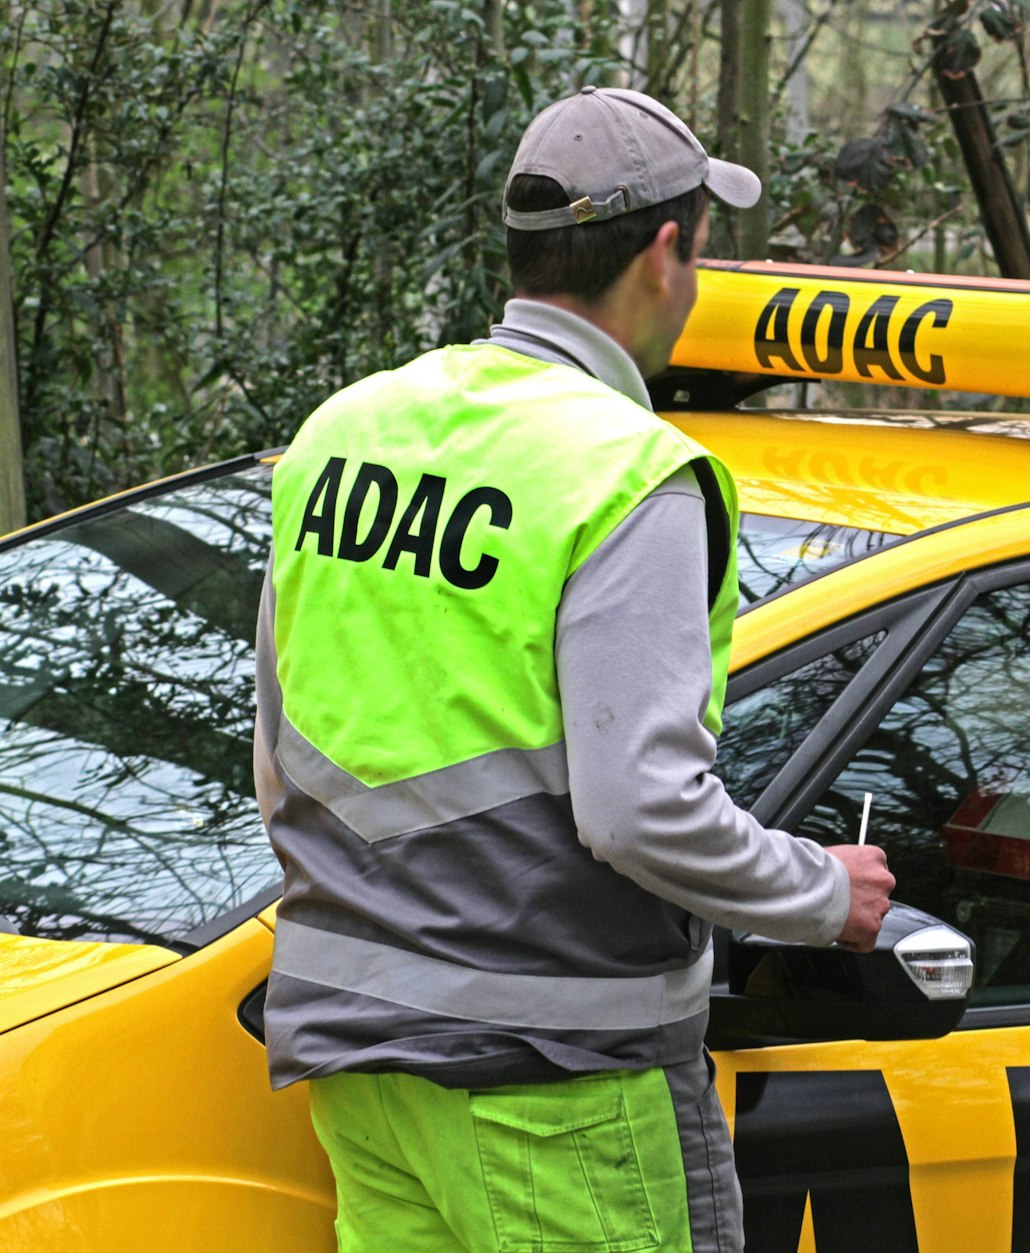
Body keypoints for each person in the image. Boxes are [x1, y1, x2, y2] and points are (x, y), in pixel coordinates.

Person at [253, 86, 894, 1252]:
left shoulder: (346, 428)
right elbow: (640, 808)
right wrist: (817, 891)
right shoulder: (626, 473)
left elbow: (280, 748)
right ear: (665, 252)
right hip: (554, 1087)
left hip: (358, 1065)